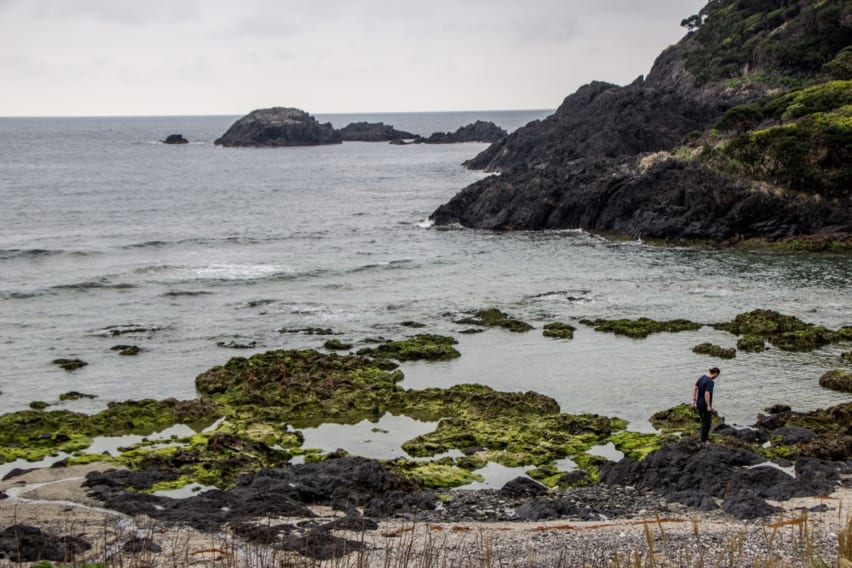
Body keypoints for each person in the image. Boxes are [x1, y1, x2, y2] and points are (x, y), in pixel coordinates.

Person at [691, 367, 720, 444]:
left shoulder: (702, 377)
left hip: (699, 403)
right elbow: (707, 393)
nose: (716, 377)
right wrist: (708, 406)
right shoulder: (710, 381)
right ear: (715, 373)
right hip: (704, 405)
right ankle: (704, 441)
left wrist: (694, 400)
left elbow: (694, 387)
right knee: (707, 423)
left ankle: (702, 438)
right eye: (717, 375)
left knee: (703, 421)